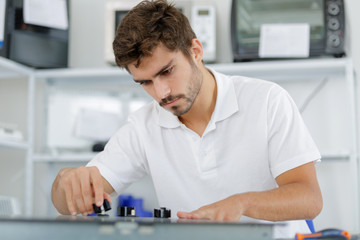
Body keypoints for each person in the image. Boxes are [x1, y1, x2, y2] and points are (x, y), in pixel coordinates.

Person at [51, 0, 323, 238]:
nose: (161, 93)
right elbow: (67, 200)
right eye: (145, 82)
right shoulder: (143, 126)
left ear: (195, 50)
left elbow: (309, 198)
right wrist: (65, 183)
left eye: (167, 71)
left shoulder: (267, 101)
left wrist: (241, 204)